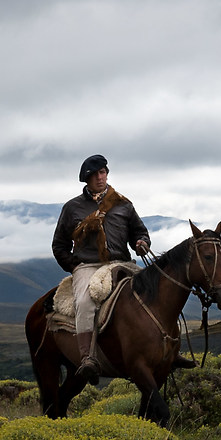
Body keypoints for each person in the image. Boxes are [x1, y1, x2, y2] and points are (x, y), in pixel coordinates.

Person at [51, 155, 151, 370]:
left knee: (152, 292)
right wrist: (75, 266)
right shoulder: (72, 208)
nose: (100, 177)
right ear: (86, 179)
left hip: (122, 263)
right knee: (85, 302)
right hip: (88, 266)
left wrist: (142, 242)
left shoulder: (124, 204)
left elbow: (138, 232)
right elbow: (59, 246)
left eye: (103, 172)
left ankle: (164, 350)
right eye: (95, 174)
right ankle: (87, 357)